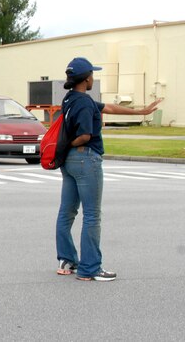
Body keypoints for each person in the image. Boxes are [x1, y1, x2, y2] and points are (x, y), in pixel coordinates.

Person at [54, 57, 162, 282]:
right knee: (92, 215)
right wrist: (71, 144)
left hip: (69, 163)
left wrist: (141, 112)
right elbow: (84, 135)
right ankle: (90, 269)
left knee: (67, 212)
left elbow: (110, 107)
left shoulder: (71, 99)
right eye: (92, 74)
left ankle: (67, 260)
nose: (94, 77)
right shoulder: (84, 102)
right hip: (86, 159)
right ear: (86, 78)